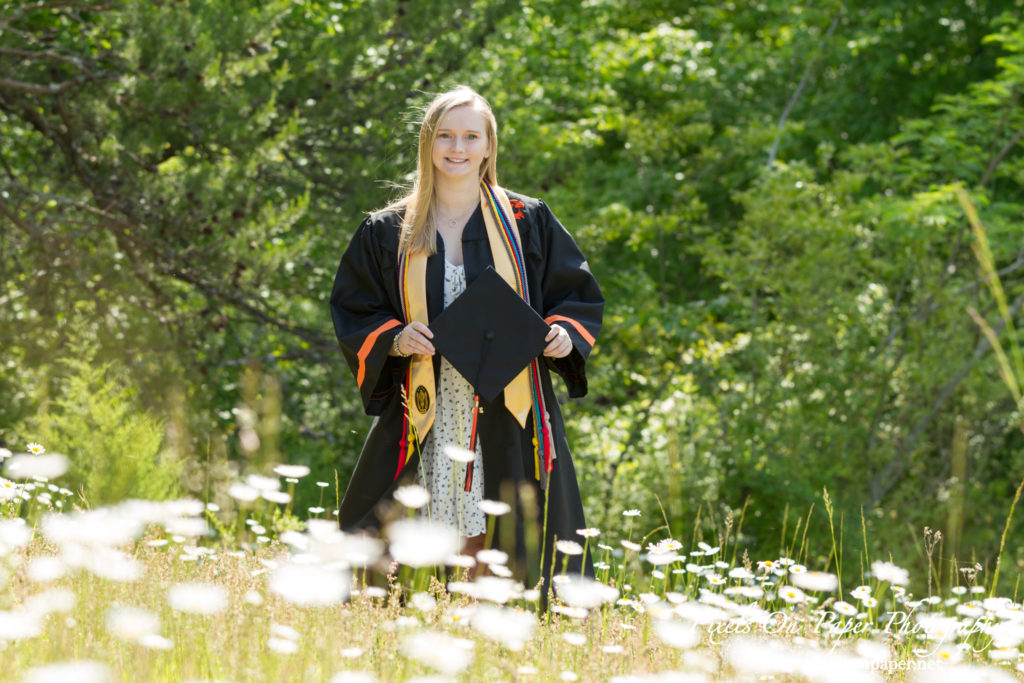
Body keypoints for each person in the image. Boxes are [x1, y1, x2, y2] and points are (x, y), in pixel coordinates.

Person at [329, 86, 603, 582]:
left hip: (510, 404)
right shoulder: (389, 229)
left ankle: (494, 629)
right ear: (428, 144)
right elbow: (355, 307)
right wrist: (395, 337)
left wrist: (564, 333)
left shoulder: (526, 221)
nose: (458, 148)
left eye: (470, 136)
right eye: (446, 136)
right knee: (398, 529)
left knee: (505, 534)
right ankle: (402, 622)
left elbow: (575, 295)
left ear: (488, 146)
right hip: (425, 405)